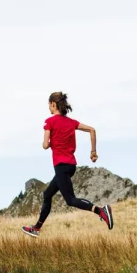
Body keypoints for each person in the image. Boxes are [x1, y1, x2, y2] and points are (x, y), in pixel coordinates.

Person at [22, 91, 115, 237]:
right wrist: (93, 152)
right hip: (70, 166)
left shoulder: (49, 122)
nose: (49, 108)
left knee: (71, 200)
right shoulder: (72, 122)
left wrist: (49, 142)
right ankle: (37, 228)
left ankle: (101, 211)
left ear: (53, 104)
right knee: (47, 194)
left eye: (49, 105)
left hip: (61, 166)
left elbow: (45, 145)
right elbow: (92, 130)